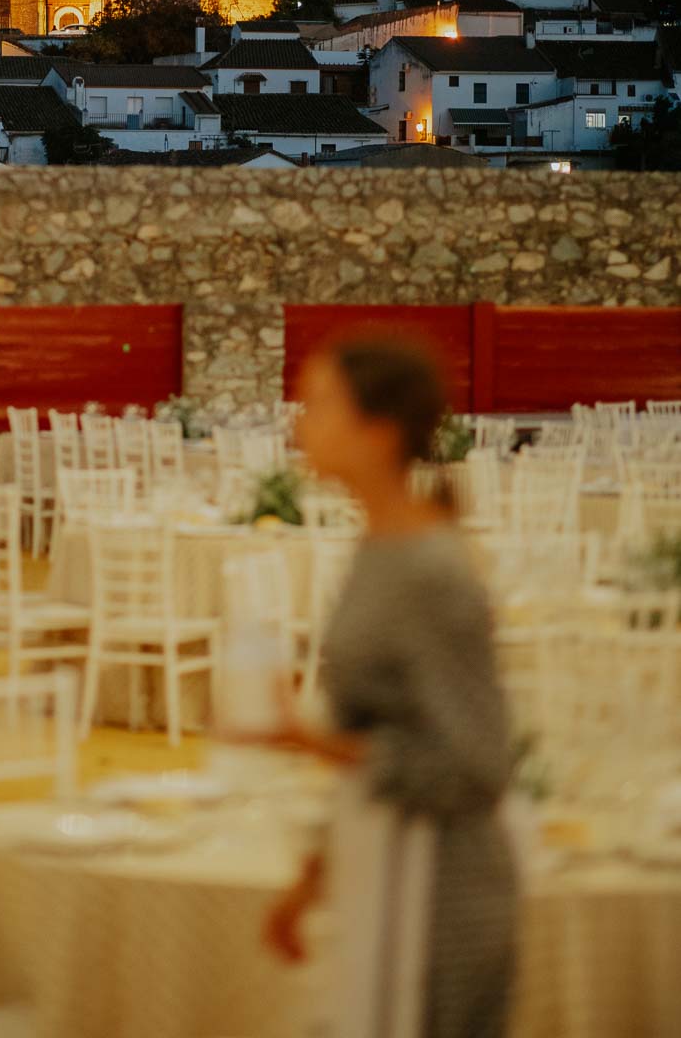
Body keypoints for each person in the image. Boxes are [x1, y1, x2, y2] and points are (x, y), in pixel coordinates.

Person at [260, 337, 517, 1038]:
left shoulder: (431, 569)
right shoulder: (376, 549)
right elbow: (374, 728)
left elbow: (476, 764)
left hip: (443, 900)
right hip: (380, 870)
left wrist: (305, 739)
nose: (296, 422)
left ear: (378, 431)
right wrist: (312, 879)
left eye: (316, 404)